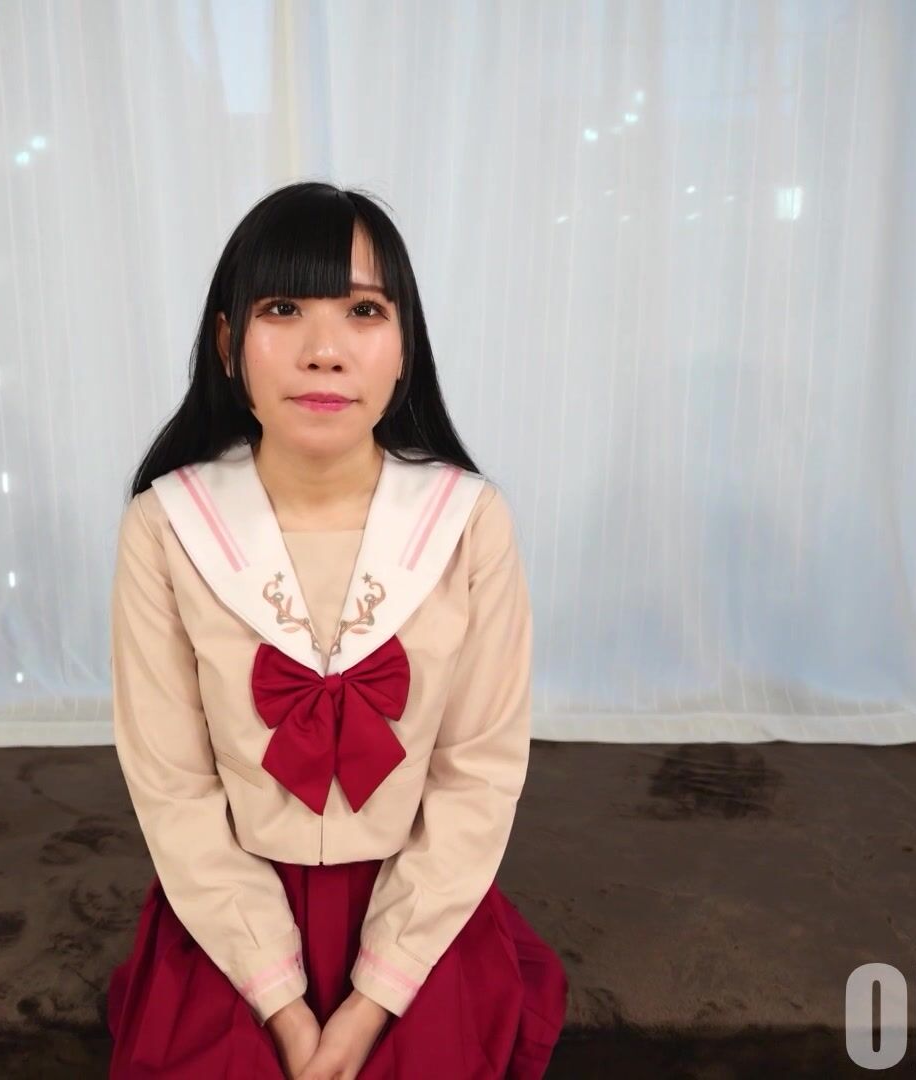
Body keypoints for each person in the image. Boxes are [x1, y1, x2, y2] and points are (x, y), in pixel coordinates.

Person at [105, 181, 566, 1079]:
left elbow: (477, 773)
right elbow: (173, 788)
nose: (324, 351)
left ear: (405, 348)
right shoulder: (165, 527)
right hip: (229, 916)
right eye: (283, 309)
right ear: (229, 344)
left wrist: (367, 1007)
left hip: (419, 910)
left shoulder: (469, 523)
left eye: (364, 311)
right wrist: (283, 1008)